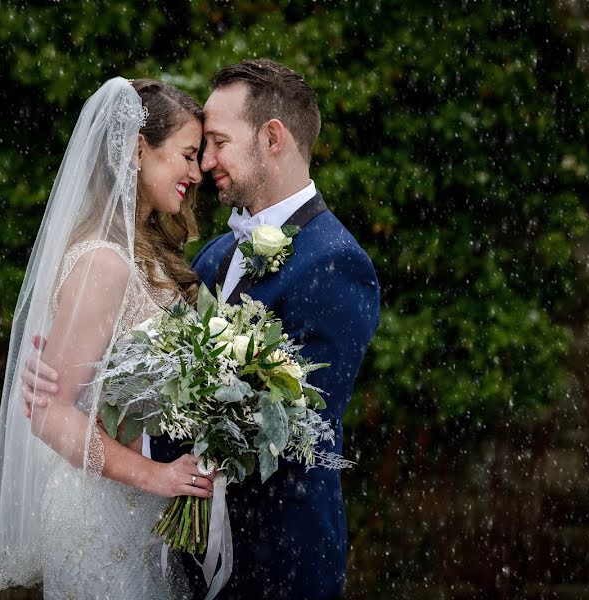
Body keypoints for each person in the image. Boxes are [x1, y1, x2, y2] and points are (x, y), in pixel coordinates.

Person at [25, 59, 380, 600]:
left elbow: (307, 433)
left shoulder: (336, 263)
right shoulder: (211, 258)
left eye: (216, 142)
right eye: (196, 150)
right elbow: (150, 366)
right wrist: (77, 390)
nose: (207, 162)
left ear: (272, 138)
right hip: (178, 551)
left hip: (278, 561)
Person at [0, 77, 214, 599]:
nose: (196, 173)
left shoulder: (145, 253)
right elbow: (49, 412)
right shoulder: (103, 263)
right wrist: (157, 477)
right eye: (187, 154)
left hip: (140, 513)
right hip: (104, 516)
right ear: (137, 151)